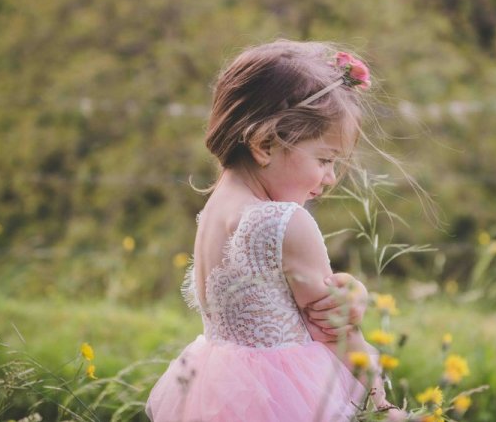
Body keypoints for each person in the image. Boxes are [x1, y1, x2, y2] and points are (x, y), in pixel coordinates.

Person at [145, 40, 403, 421]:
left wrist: (351, 292)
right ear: (265, 143)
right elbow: (333, 332)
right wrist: (383, 407)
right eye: (325, 159)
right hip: (284, 399)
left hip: (219, 394)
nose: (330, 178)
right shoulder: (284, 221)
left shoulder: (215, 211)